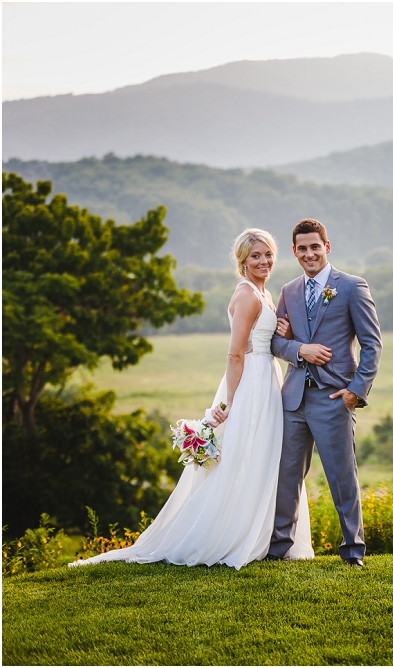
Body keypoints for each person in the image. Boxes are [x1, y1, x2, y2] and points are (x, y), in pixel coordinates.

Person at [69, 229, 313, 569]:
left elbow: (266, 339)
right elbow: (235, 354)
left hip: (266, 379)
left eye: (268, 254)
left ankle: (265, 534)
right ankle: (228, 535)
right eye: (256, 255)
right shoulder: (247, 295)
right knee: (242, 457)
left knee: (264, 456)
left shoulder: (264, 293)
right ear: (243, 260)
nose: (264, 261)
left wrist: (282, 333)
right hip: (249, 385)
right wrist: (228, 402)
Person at [268, 218, 382, 568]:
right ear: (294, 252)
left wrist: (355, 391)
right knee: (286, 477)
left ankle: (353, 551)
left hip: (334, 399)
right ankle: (279, 548)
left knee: (342, 478)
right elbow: (275, 341)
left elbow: (372, 345)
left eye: (315, 246)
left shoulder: (350, 286)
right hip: (293, 400)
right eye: (302, 248)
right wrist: (300, 349)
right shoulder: (288, 291)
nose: (309, 253)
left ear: (326, 247)